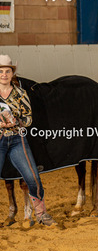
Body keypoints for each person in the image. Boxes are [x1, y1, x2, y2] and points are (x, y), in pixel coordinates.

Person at [0, 55, 56, 226]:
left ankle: (41, 214)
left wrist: (17, 121)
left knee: (32, 178)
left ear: (12, 74)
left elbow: (29, 118)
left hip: (17, 139)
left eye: (7, 71)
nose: (4, 75)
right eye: (1, 71)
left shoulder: (21, 94)